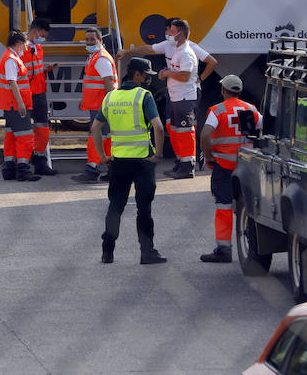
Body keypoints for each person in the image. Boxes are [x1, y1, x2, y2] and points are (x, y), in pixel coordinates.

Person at [119, 17, 218, 179]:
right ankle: (181, 162)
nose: (167, 33)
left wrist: (193, 77)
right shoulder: (172, 47)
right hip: (175, 95)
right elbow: (148, 49)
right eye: (168, 30)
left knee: (185, 130)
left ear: (180, 33)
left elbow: (189, 74)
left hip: (186, 96)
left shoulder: (188, 51)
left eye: (171, 31)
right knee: (174, 128)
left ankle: (187, 165)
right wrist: (127, 52)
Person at [91, 57, 167, 264]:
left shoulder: (111, 97)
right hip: (143, 161)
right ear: (136, 74)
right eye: (146, 75)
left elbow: (95, 128)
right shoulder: (144, 96)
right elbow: (159, 128)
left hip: (118, 161)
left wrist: (102, 156)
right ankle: (147, 252)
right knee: (143, 208)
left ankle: (107, 251)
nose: (147, 80)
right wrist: (158, 155)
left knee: (115, 206)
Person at [198, 74, 262, 263]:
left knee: (224, 206)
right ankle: (254, 246)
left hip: (224, 167)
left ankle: (224, 249)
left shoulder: (217, 111)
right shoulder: (251, 109)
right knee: (249, 205)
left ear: (223, 90)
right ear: (240, 91)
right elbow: (263, 129)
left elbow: (205, 135)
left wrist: (208, 156)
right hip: (247, 166)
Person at [72, 27, 116, 184]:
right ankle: (112, 170)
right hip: (99, 104)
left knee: (95, 135)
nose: (89, 42)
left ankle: (91, 170)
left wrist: (107, 105)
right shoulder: (95, 56)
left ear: (100, 40)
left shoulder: (101, 58)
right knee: (106, 136)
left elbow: (109, 83)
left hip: (102, 105)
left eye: (92, 39)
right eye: (87, 39)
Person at [0, 31, 40, 182]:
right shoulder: (11, 59)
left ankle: (9, 169)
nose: (25, 47)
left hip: (10, 105)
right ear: (19, 43)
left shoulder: (11, 58)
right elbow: (12, 82)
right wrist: (21, 104)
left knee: (11, 135)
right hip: (16, 105)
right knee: (26, 136)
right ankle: (23, 169)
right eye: (25, 44)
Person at [23, 18, 60, 176]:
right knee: (24, 131)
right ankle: (22, 164)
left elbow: (33, 69)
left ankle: (39, 161)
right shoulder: (21, 47)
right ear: (36, 31)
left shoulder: (38, 47)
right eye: (43, 35)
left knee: (43, 128)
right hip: (25, 93)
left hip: (39, 92)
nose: (43, 39)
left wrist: (45, 69)